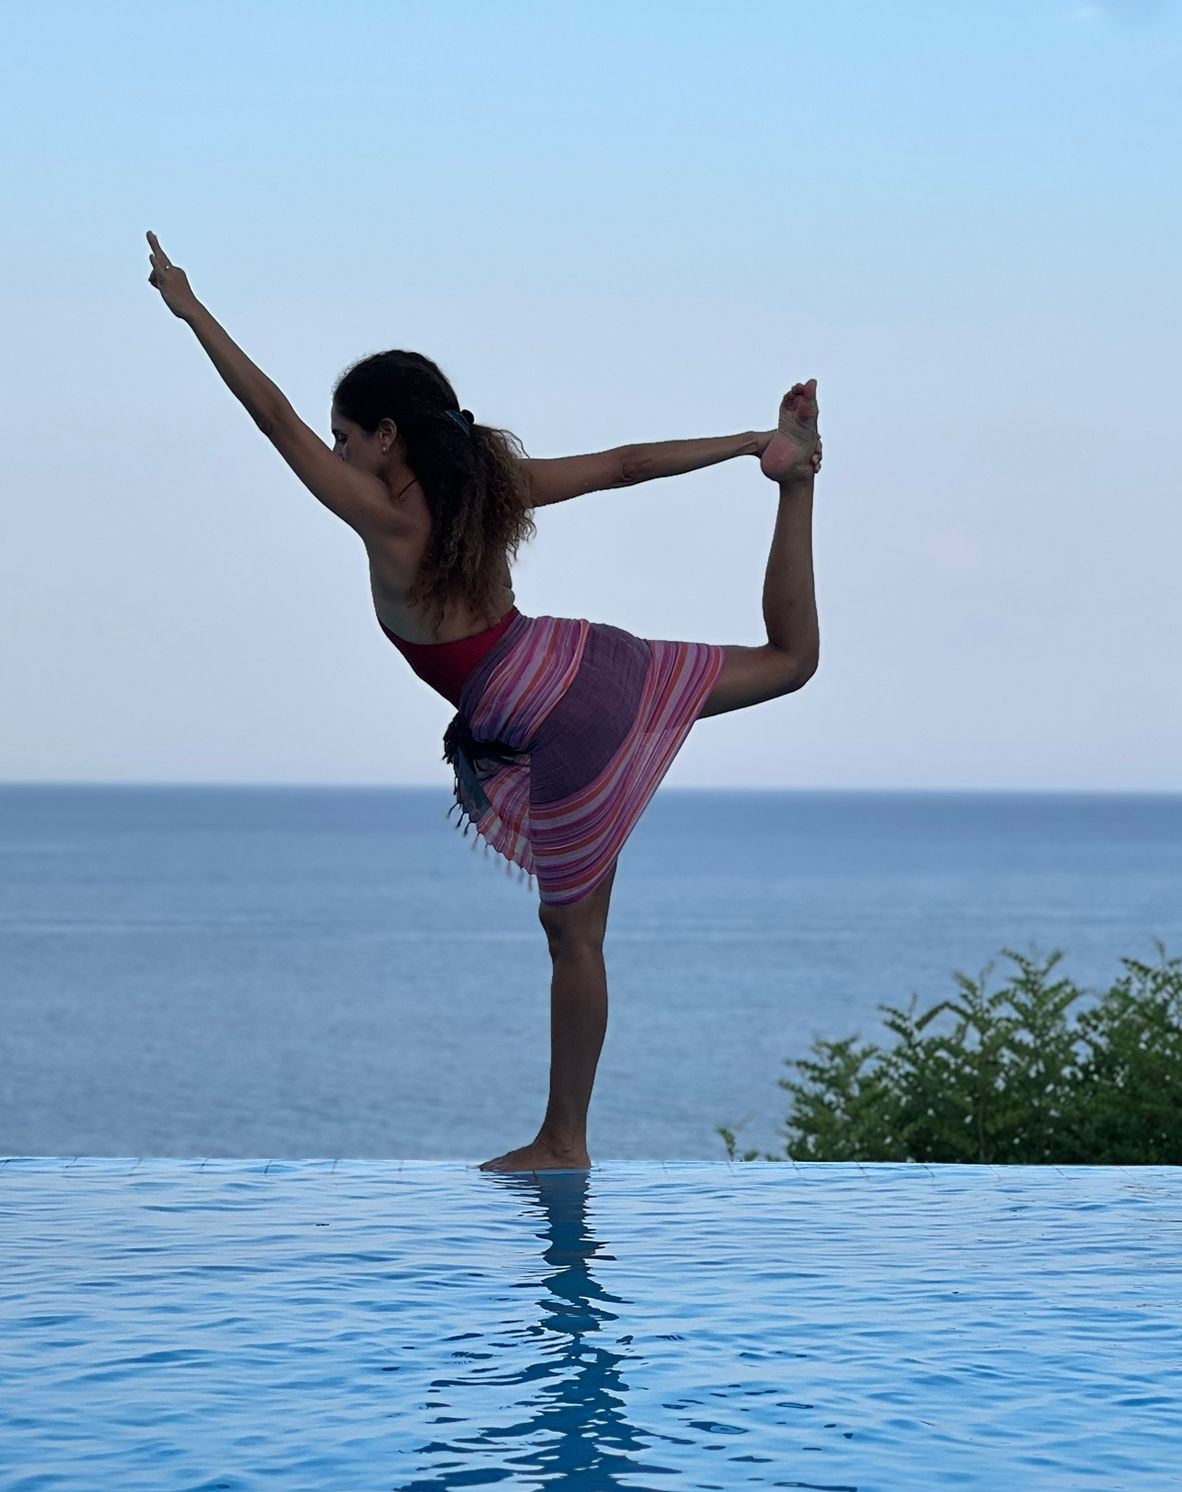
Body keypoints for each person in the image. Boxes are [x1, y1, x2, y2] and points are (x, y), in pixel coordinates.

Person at [146, 231, 821, 1172]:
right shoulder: (487, 489)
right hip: (591, 659)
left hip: (560, 711)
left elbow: (271, 418)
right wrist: (753, 444)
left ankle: (564, 1141)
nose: (336, 451)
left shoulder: (391, 520)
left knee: (574, 937)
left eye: (347, 437)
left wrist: (190, 311)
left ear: (388, 436)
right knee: (789, 662)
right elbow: (623, 464)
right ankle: (797, 484)